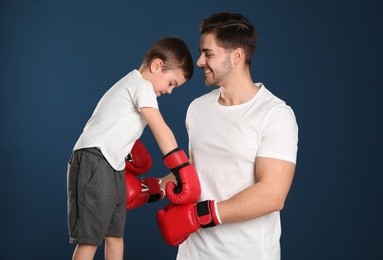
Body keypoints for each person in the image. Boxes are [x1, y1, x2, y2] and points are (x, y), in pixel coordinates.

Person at [157, 12, 299, 259]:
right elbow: (196, 170)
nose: (200, 61)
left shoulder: (274, 114)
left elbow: (272, 194)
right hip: (193, 253)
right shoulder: (197, 108)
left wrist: (200, 215)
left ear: (236, 56)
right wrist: (151, 188)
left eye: (208, 54)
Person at [67, 36, 201, 260]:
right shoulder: (140, 85)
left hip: (112, 164)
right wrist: (182, 167)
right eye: (171, 83)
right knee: (90, 239)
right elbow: (161, 130)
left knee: (115, 235)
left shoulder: (134, 86)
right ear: (157, 66)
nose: (169, 91)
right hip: (95, 159)